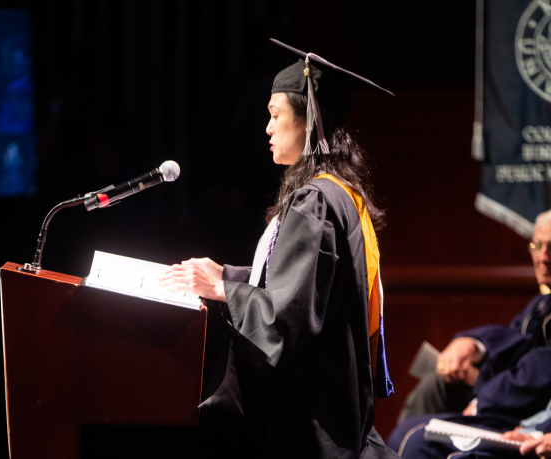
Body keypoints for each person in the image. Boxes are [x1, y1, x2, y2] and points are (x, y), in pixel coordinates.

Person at [158, 39, 397, 459]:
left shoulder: (316, 202)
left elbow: (287, 319)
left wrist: (224, 292)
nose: (267, 128)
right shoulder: (344, 194)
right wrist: (227, 275)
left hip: (308, 422)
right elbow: (304, 285)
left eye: (275, 115)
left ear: (310, 120)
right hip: (330, 404)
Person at [386, 211, 551, 458]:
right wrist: (472, 344)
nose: (543, 257)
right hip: (504, 396)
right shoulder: (542, 303)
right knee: (435, 385)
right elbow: (515, 337)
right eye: (536, 246)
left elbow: (539, 371)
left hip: (522, 413)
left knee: (414, 439)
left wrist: (482, 397)